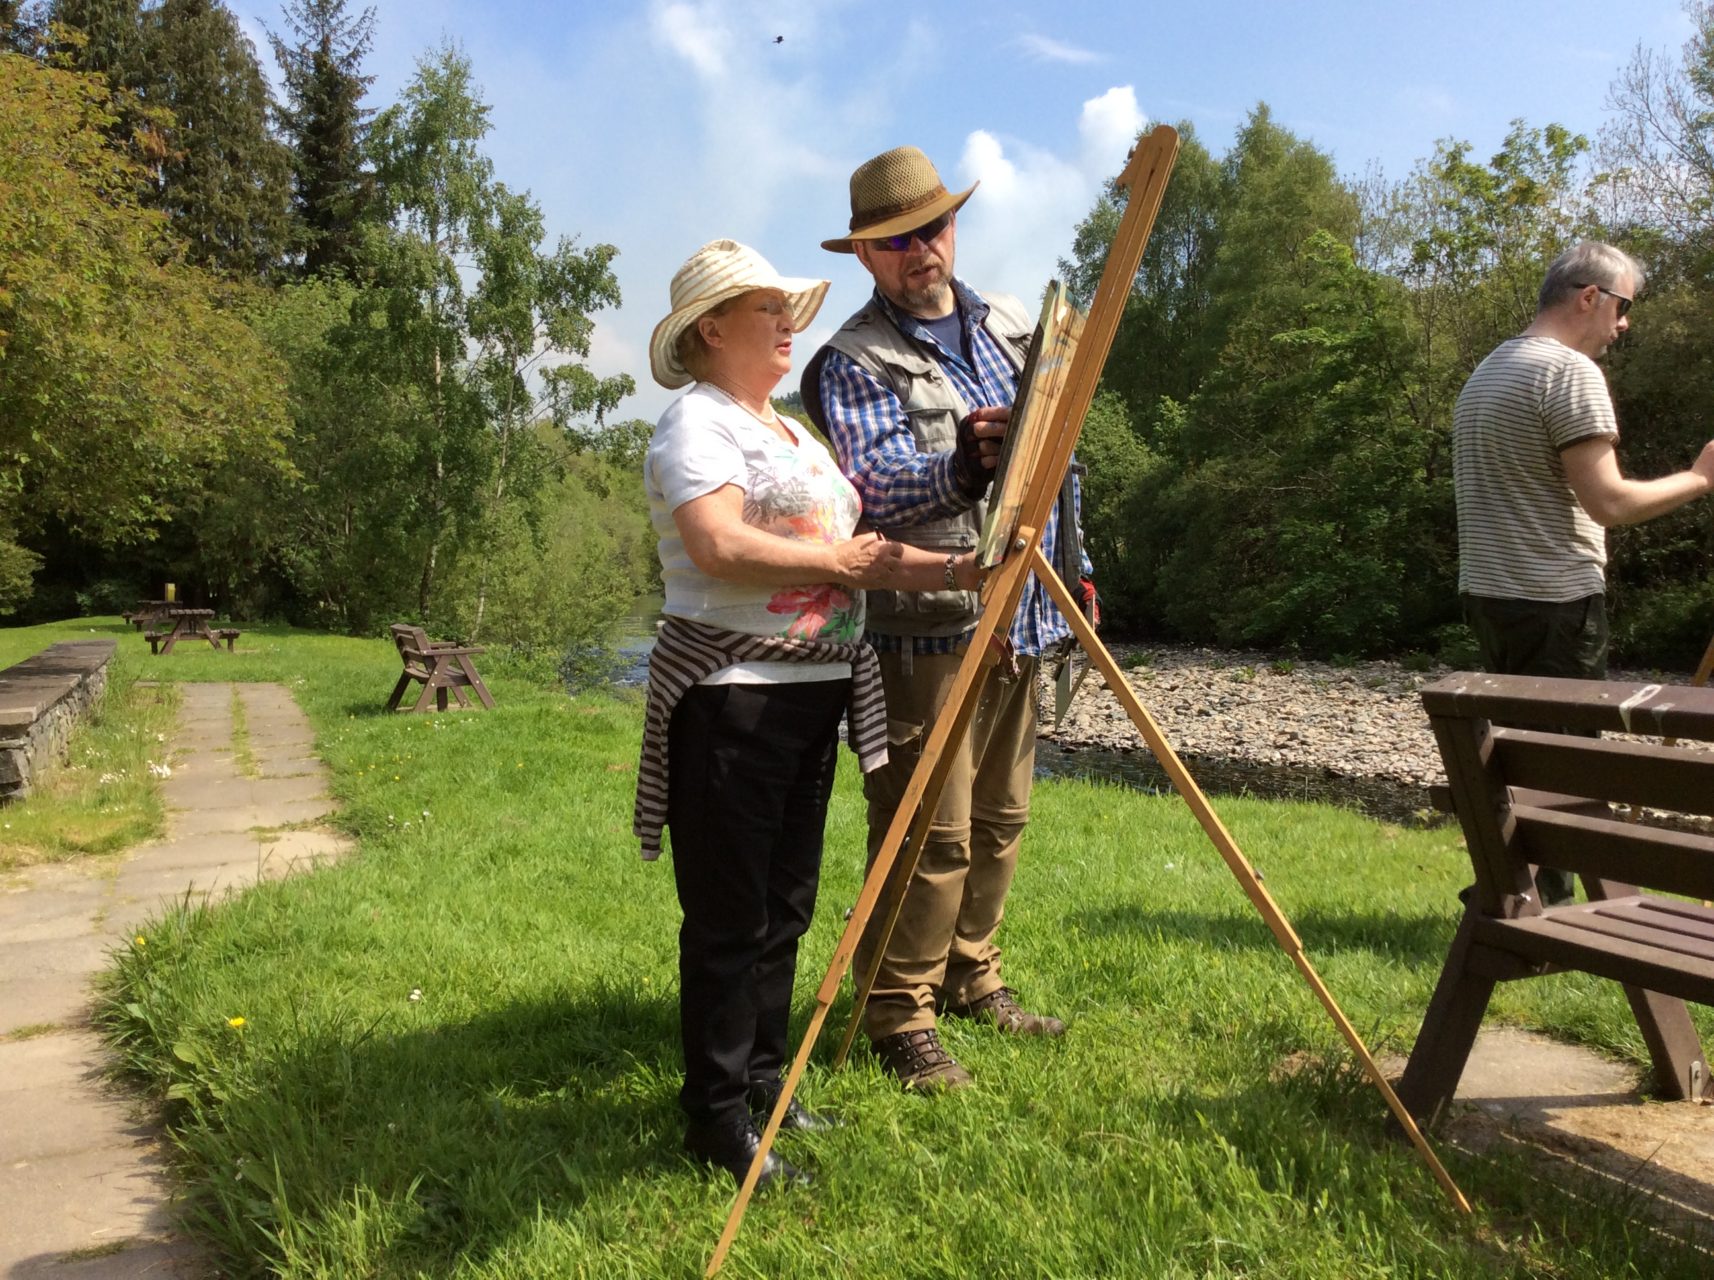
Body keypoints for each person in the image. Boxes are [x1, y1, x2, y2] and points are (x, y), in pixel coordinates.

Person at [635, 239, 985, 1185]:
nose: (790, 322)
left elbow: (860, 551)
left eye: (791, 308)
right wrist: (837, 567)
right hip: (731, 699)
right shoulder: (697, 426)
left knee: (783, 908)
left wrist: (966, 568)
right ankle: (713, 1123)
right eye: (768, 310)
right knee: (728, 917)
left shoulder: (791, 433)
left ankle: (760, 1090)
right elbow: (715, 544)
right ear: (712, 328)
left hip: (811, 694)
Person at [801, 147, 1091, 1091]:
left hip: (1027, 615)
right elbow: (870, 487)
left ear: (951, 227)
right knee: (931, 828)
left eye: (931, 227)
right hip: (919, 630)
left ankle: (973, 978)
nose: (920, 249)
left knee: (1002, 818)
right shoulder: (848, 360)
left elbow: (1062, 461)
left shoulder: (1015, 324)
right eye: (895, 240)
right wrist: (964, 469)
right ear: (866, 255)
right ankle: (898, 1013)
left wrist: (1078, 577)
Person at [1454, 239, 1714, 902]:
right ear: (1590, 297)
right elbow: (1610, 501)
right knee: (1570, 768)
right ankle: (1557, 915)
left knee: (1520, 758)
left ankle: (1519, 893)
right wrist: (1698, 478)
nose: (1625, 324)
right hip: (1555, 601)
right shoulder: (1569, 373)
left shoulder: (1488, 370)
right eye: (1623, 306)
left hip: (1491, 596)